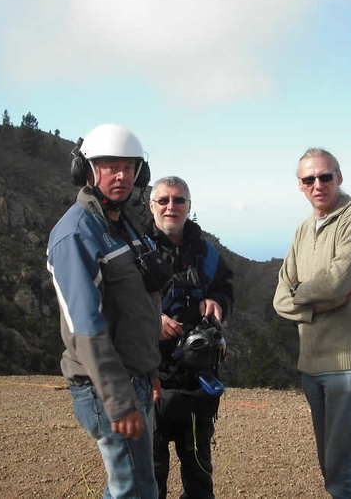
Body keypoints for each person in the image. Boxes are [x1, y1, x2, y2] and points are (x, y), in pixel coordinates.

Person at [46, 123, 167, 499]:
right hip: (107, 389)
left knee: (135, 486)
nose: (122, 175)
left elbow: (138, 310)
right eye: (110, 166)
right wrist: (118, 400)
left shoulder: (121, 227)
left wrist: (150, 372)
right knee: (132, 490)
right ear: (87, 170)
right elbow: (86, 328)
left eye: (129, 167)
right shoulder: (77, 234)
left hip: (135, 379)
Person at [272, 148, 351, 499]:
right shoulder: (303, 230)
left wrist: (300, 291)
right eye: (309, 179)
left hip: (348, 364)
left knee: (343, 469)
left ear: (339, 177)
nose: (317, 184)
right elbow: (280, 298)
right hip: (312, 363)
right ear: (300, 185)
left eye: (325, 176)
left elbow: (340, 280)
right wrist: (314, 307)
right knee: (331, 467)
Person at [146, 176, 234, 499]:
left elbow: (226, 287)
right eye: (164, 200)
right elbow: (115, 303)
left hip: (198, 385)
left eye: (179, 200)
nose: (172, 206)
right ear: (151, 205)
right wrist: (152, 320)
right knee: (150, 480)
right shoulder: (135, 249)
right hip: (150, 382)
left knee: (198, 480)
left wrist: (218, 304)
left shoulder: (206, 252)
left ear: (189, 206)